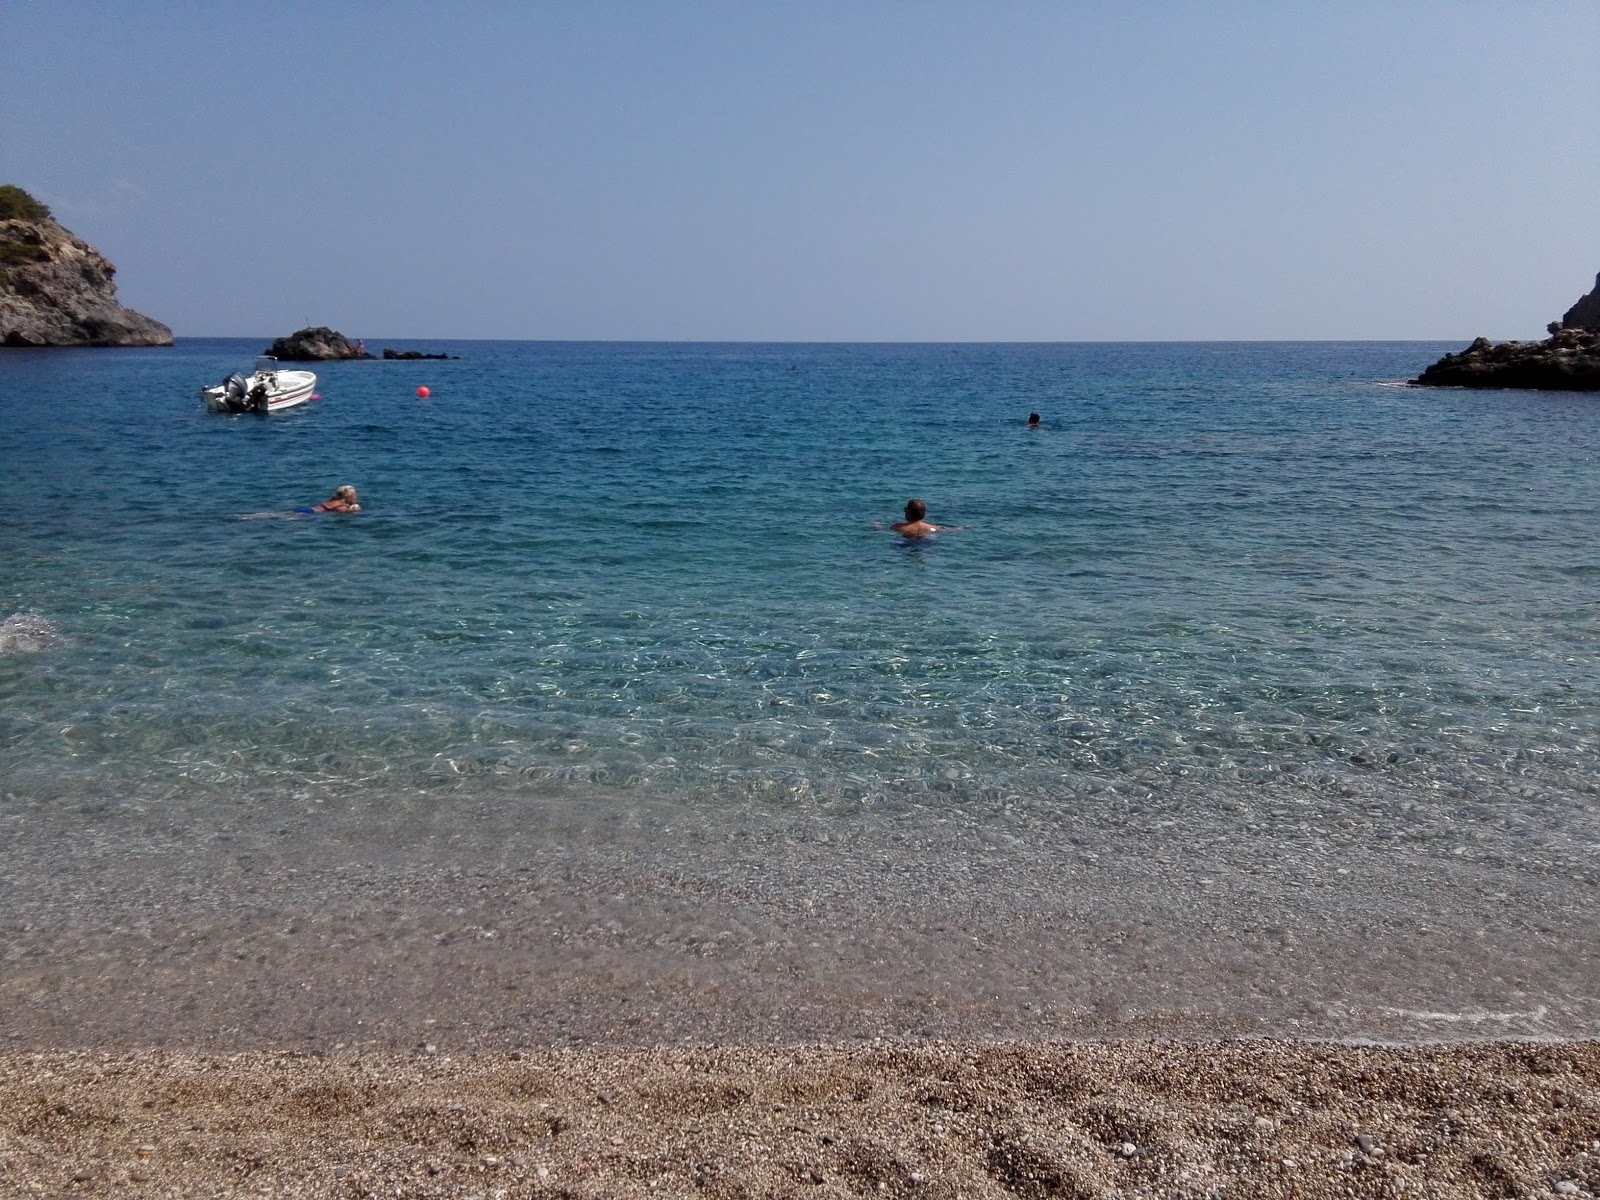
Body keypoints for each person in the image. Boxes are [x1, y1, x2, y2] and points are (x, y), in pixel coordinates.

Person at [883, 498, 959, 539]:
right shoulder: (934, 528)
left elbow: (883, 530)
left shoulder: (898, 527)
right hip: (926, 545)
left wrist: (877, 526)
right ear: (924, 513)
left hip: (906, 545)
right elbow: (952, 530)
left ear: (907, 512)